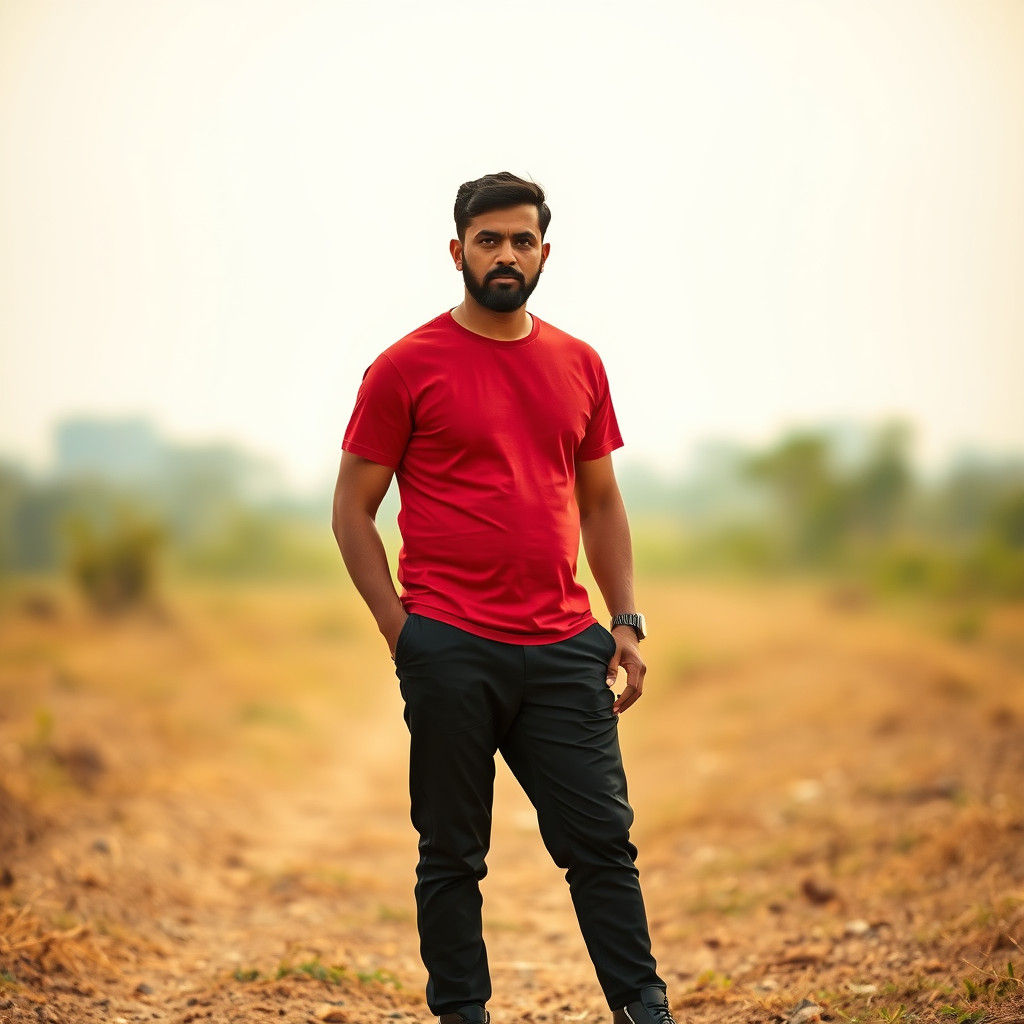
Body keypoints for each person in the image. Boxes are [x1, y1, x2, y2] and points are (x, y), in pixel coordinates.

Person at [332, 172, 675, 1024]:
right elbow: (352, 511)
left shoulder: (577, 362)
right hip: (449, 644)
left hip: (565, 646)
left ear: (544, 254)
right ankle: (463, 1014)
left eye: (522, 241)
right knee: (452, 854)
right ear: (458, 252)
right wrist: (400, 631)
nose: (506, 255)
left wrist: (623, 620)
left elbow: (600, 502)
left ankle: (645, 1009)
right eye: (489, 240)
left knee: (603, 845)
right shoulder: (406, 366)